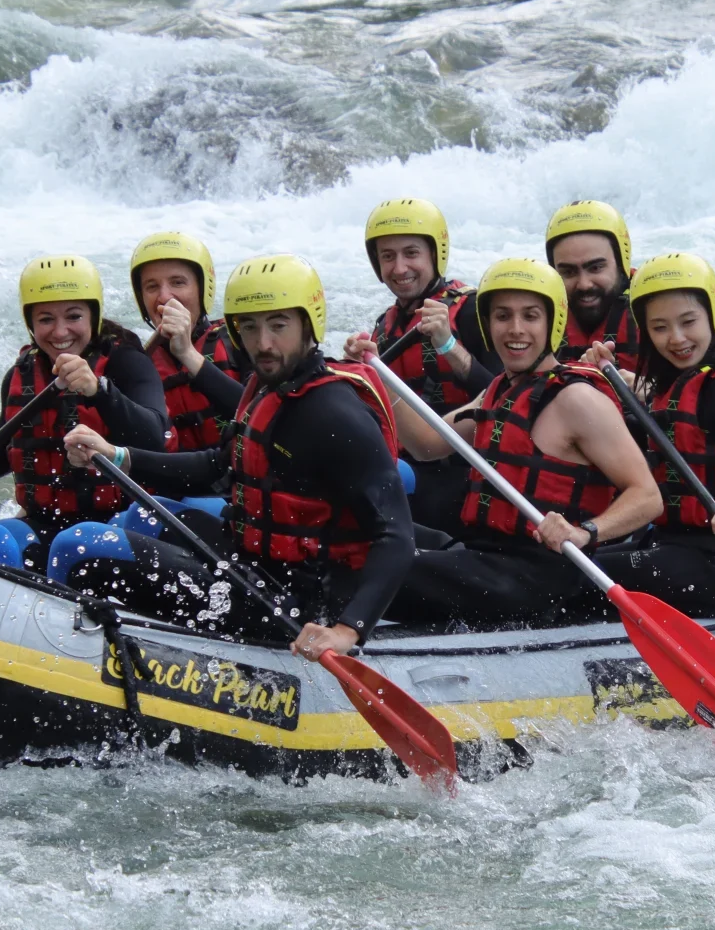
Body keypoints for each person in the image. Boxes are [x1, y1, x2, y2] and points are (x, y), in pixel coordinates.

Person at [59, 255, 414, 657]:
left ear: (308, 324)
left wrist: (348, 630)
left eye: (278, 326)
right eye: (249, 327)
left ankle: (68, 662)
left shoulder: (333, 412)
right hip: (253, 564)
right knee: (143, 513)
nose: (262, 343)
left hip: (295, 604)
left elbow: (396, 534)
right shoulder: (268, 388)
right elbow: (216, 465)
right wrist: (117, 456)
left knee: (79, 546)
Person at [389, 259, 662, 629]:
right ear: (488, 325)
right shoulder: (499, 389)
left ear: (552, 322)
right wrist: (383, 380)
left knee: (378, 566)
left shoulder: (577, 399)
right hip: (485, 559)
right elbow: (426, 445)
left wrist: (586, 531)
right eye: (503, 316)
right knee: (369, 536)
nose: (515, 329)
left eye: (530, 316)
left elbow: (647, 496)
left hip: (536, 581)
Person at [593, 253, 715, 615]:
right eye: (659, 328)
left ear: (713, 316)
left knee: (581, 575)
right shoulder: (673, 383)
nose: (677, 339)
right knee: (575, 560)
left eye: (689, 322)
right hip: (672, 543)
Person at [0, 255, 170, 553]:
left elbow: (156, 437)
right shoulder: (21, 374)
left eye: (74, 317)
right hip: (45, 521)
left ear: (93, 316)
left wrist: (99, 392)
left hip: (121, 522)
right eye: (46, 319)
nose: (60, 332)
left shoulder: (126, 362)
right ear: (30, 324)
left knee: (73, 544)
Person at [340, 197, 496, 528]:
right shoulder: (386, 326)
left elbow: (511, 398)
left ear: (435, 255)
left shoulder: (473, 311)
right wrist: (358, 372)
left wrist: (449, 345)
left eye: (411, 253)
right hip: (414, 468)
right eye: (388, 256)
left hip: (470, 473)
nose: (399, 268)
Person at [128, 230, 244, 456]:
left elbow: (263, 419)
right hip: (174, 486)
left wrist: (187, 354)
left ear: (202, 289)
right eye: (152, 287)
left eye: (178, 283)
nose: (164, 297)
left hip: (239, 485)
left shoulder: (240, 341)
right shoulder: (136, 365)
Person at [545, 199, 643, 374]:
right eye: (568, 272)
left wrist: (647, 389)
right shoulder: (533, 315)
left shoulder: (657, 307)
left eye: (596, 268)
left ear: (622, 263)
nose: (584, 284)